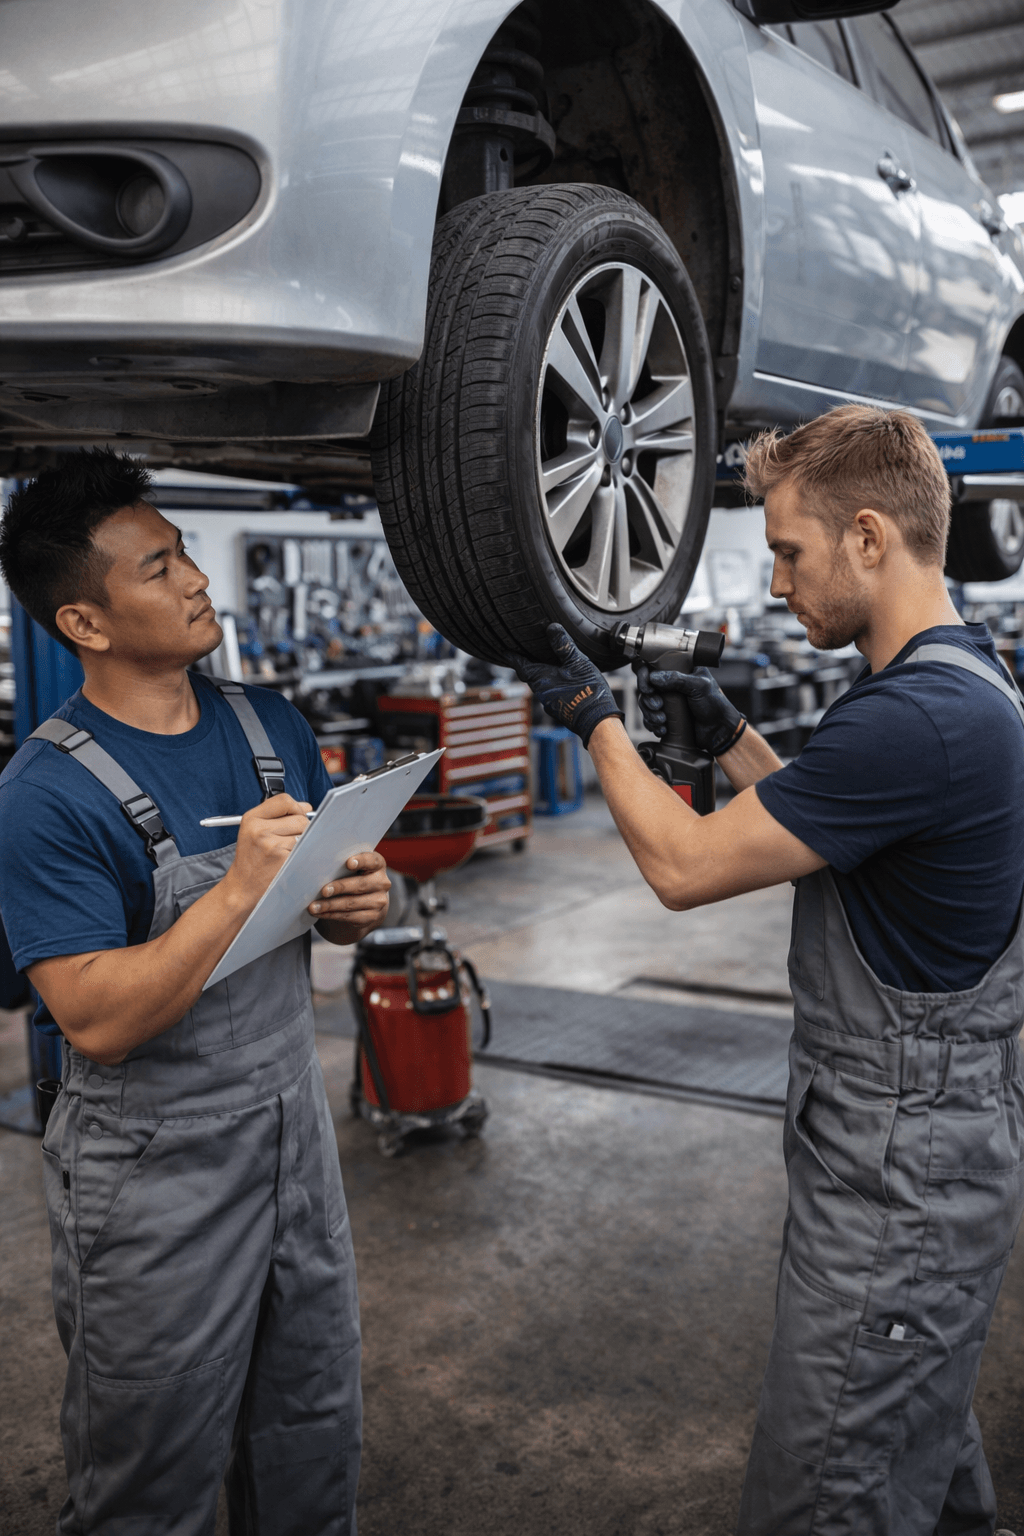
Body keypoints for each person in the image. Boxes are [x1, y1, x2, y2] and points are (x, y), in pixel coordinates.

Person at [508, 405, 1024, 1536]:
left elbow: (685, 868)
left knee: (828, 1492)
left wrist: (591, 717)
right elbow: (843, 825)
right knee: (917, 1466)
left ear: (870, 538)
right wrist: (731, 734)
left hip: (900, 1185)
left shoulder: (917, 719)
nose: (778, 579)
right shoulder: (959, 681)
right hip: (925, 1157)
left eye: (789, 551)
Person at [0, 451, 391, 1535]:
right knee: (150, 1480)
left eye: (185, 554)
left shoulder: (272, 729)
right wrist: (234, 894)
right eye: (160, 567)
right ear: (85, 622)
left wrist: (357, 899)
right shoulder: (46, 794)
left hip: (290, 1133)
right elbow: (95, 1018)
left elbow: (324, 902)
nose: (195, 580)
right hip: (150, 1176)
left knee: (313, 1432)